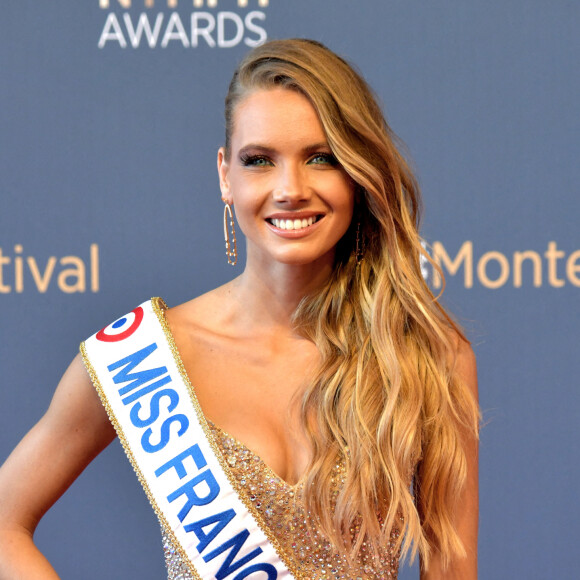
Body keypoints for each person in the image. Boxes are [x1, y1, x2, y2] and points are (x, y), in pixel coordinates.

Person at [0, 39, 479, 579]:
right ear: (226, 175)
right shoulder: (145, 355)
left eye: (320, 158)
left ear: (357, 173)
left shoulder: (426, 353)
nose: (290, 189)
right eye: (259, 161)